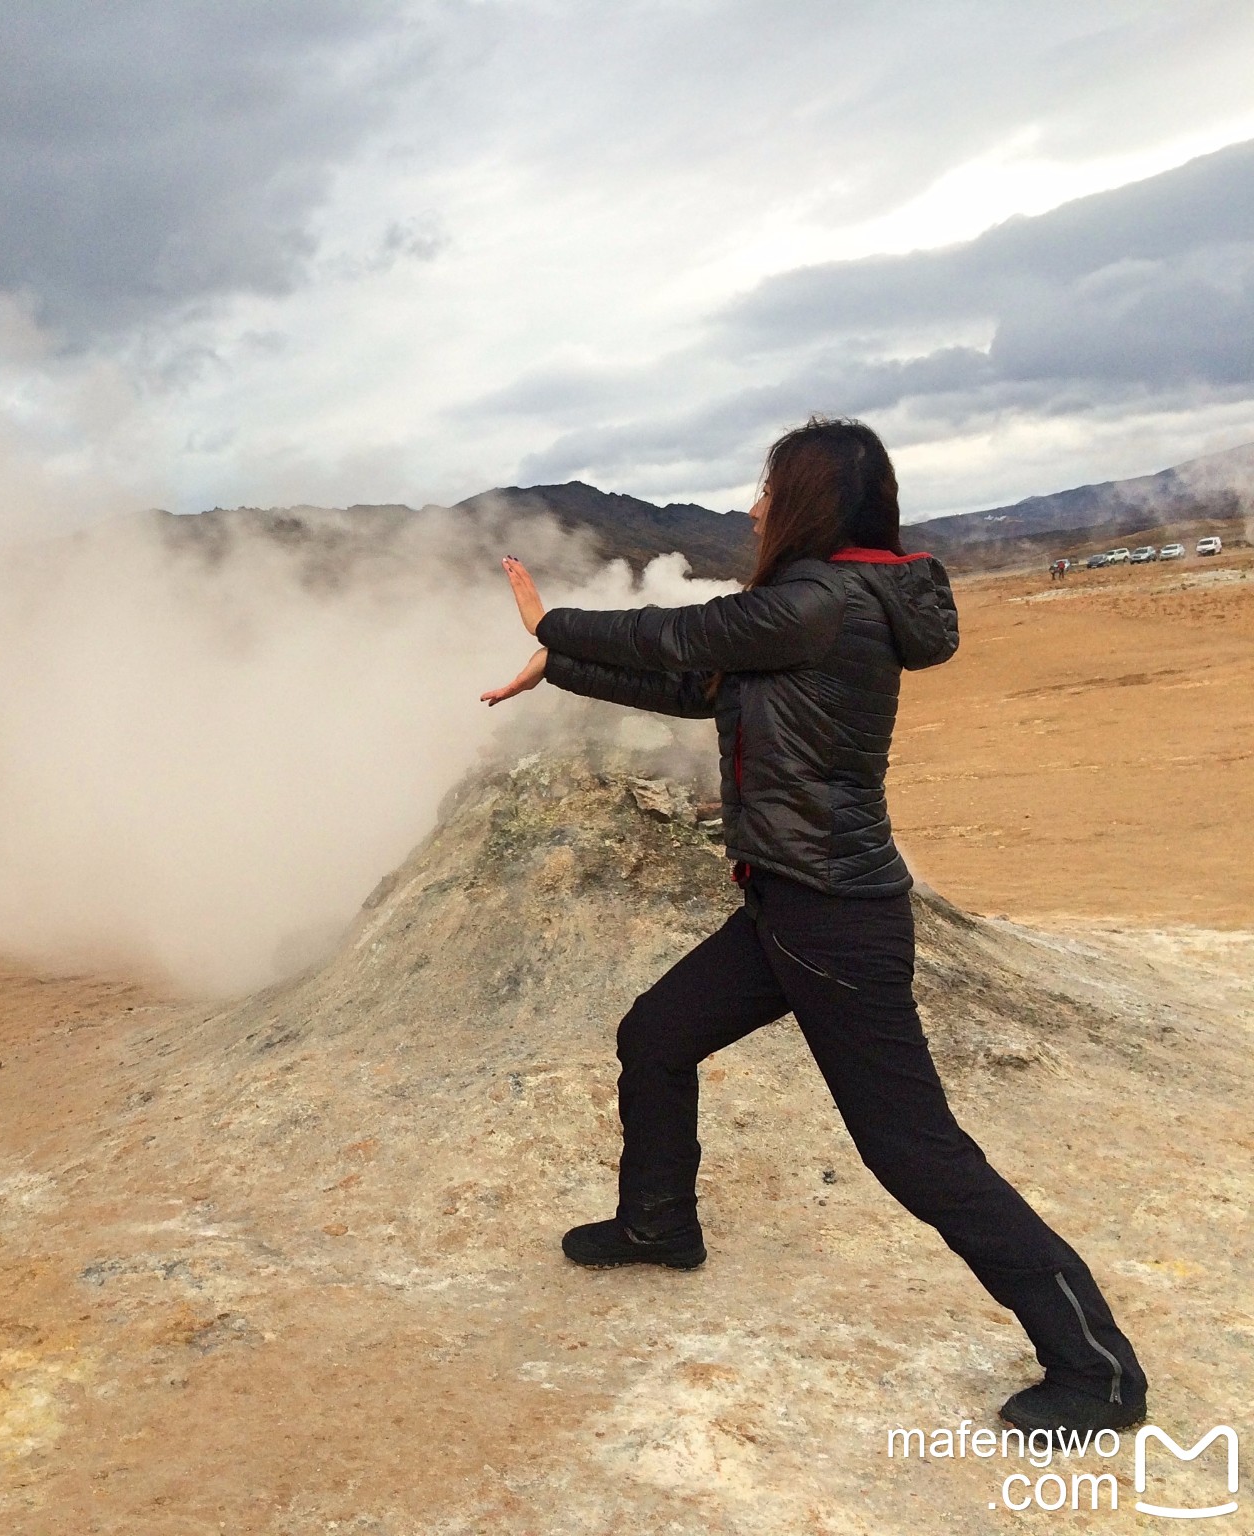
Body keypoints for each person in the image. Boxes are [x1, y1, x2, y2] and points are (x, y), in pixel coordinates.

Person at [479, 417, 1147, 1436]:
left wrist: (550, 624)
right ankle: (658, 1224)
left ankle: (1094, 1370)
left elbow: (680, 636)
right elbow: (701, 685)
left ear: (803, 502)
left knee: (913, 1151)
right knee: (653, 1038)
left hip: (831, 920)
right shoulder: (816, 611)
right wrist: (563, 668)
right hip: (793, 903)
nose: (750, 507)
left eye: (763, 489)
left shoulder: (817, 602)